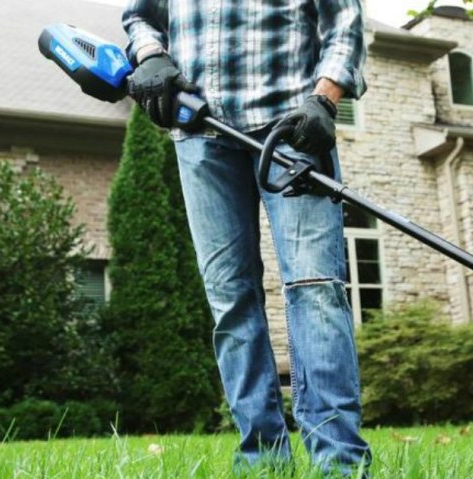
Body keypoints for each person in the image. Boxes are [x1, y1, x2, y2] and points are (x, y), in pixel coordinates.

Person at [122, 0, 371, 475]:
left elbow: (344, 19)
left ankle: (339, 462)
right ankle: (262, 460)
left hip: (292, 132)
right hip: (200, 132)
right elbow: (140, 16)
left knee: (315, 291)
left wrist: (324, 98)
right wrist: (151, 54)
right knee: (230, 298)